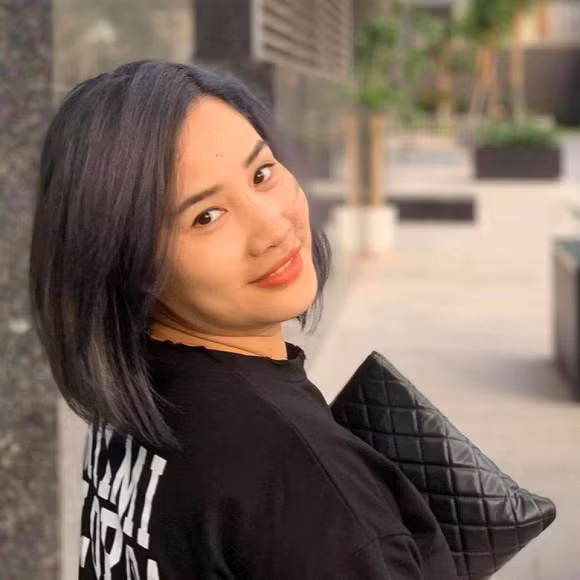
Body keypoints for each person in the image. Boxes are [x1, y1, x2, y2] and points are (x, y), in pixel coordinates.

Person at [29, 60, 458, 580]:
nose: (273, 228)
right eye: (206, 216)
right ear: (132, 263)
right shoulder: (300, 479)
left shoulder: (135, 394)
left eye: (261, 174)